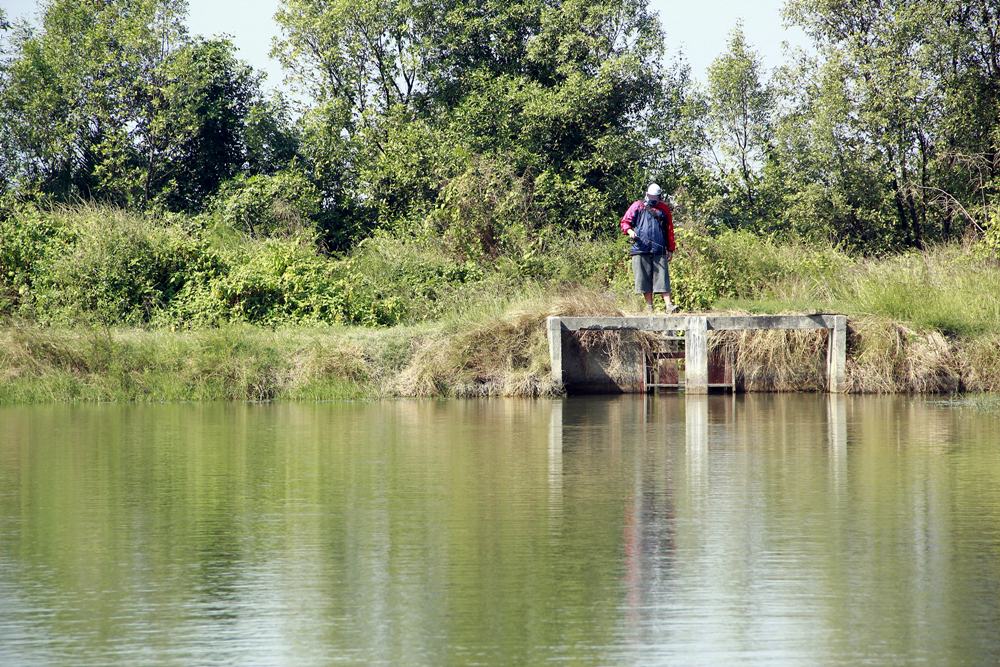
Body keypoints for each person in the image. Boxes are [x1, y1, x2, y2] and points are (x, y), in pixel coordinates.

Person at [620, 183, 676, 313]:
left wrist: (670, 249)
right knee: (643, 279)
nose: (652, 198)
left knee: (663, 278)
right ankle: (649, 307)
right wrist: (630, 232)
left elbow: (669, 230)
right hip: (640, 248)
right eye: (650, 196)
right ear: (647, 194)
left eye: (654, 197)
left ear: (659, 196)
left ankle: (669, 306)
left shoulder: (664, 209)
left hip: (659, 249)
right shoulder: (637, 206)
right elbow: (625, 222)